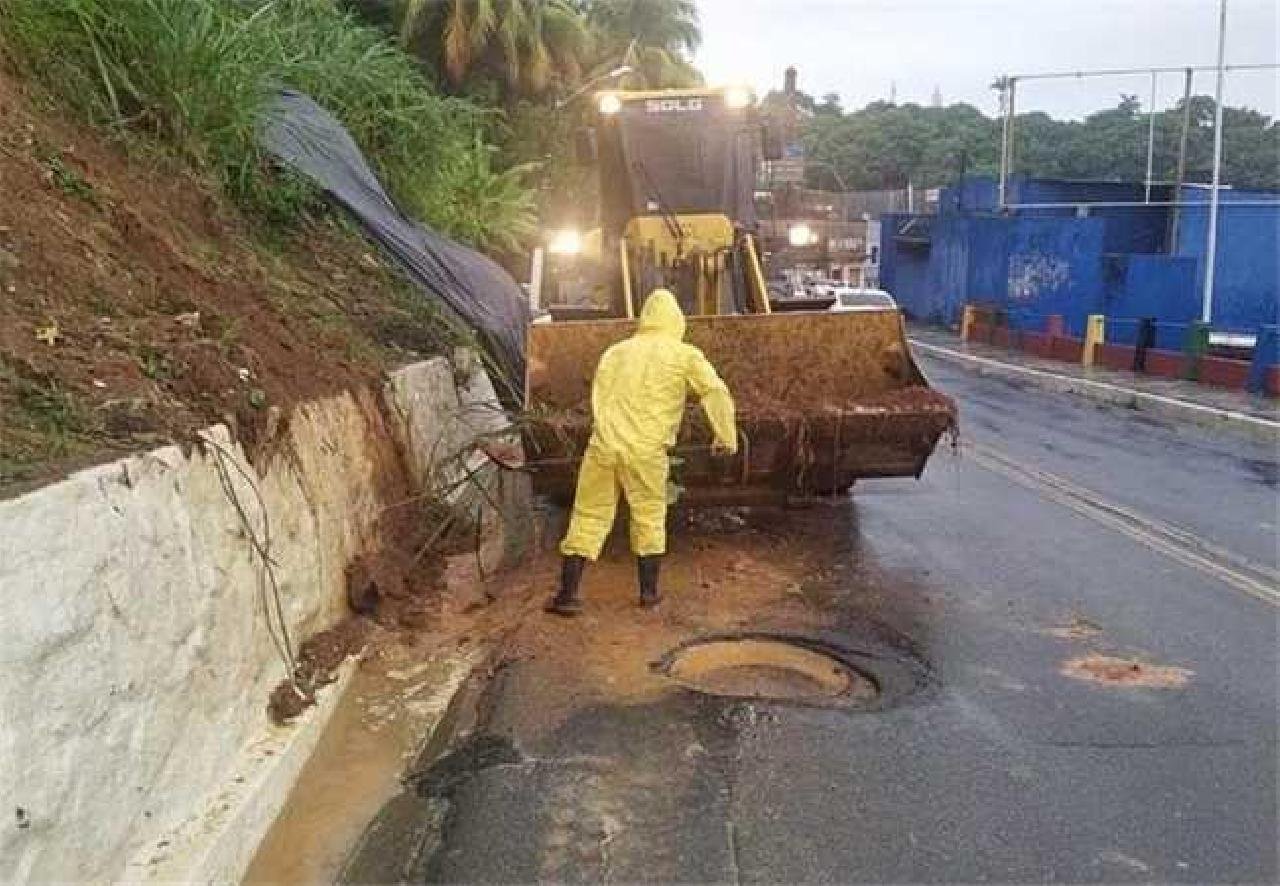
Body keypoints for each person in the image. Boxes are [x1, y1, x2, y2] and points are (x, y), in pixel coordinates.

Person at [546, 288, 738, 616]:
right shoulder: (685, 355)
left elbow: (600, 397)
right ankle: (648, 595)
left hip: (603, 447)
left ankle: (567, 596)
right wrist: (725, 436)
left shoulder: (615, 352)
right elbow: (715, 391)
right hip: (647, 453)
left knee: (589, 516)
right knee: (648, 516)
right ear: (676, 320)